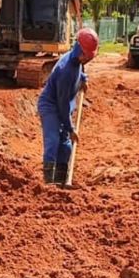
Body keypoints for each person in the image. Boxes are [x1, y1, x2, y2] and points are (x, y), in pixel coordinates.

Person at [37, 28, 99, 185]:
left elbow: (80, 71)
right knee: (53, 141)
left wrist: (83, 79)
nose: (88, 59)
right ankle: (49, 183)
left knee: (66, 146)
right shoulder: (65, 71)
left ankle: (61, 181)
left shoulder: (77, 61)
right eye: (86, 55)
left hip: (64, 105)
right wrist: (71, 129)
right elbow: (62, 105)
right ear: (79, 49)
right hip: (51, 106)